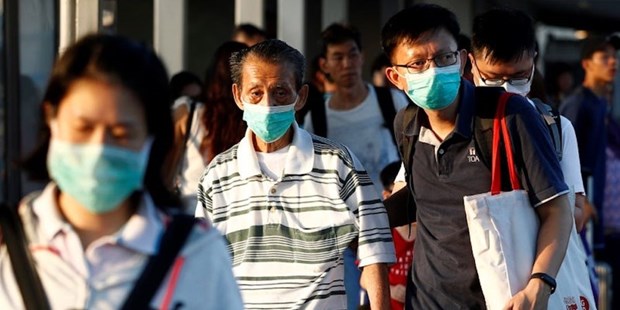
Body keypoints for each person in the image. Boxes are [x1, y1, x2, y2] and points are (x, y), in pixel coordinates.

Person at [1, 34, 242, 309]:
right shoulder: (7, 246)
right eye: (83, 128)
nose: (98, 149)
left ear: (151, 136)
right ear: (51, 117)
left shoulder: (198, 254)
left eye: (121, 134)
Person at [381, 4, 572, 308]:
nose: (433, 71)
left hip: (503, 300)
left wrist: (540, 284)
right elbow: (423, 201)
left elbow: (558, 210)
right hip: (426, 300)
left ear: (461, 59)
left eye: (443, 57)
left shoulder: (510, 115)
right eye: (417, 63)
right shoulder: (405, 125)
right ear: (395, 76)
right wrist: (360, 218)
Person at [196, 39, 395, 309]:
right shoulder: (216, 177)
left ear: (300, 96)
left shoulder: (337, 163)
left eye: (280, 92)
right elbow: (206, 268)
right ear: (238, 96)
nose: (267, 104)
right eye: (255, 93)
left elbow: (375, 253)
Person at [469, 6, 598, 305]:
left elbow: (574, 214)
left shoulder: (556, 127)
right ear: (471, 64)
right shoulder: (449, 125)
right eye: (492, 77)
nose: (505, 89)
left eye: (518, 77)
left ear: (534, 62)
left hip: (536, 288)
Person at [303, 23, 409, 195]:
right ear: (324, 65)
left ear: (362, 56)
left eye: (352, 54)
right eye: (338, 57)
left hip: (393, 212)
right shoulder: (316, 118)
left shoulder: (391, 100)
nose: (347, 64)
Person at [560, 33, 620, 308]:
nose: (613, 62)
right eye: (604, 57)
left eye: (614, 56)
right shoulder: (577, 104)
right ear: (586, 63)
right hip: (582, 213)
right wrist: (580, 199)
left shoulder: (600, 104)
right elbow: (562, 157)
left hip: (601, 215)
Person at [167, 41, 248, 212]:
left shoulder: (188, 112)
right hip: (240, 218)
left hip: (193, 217)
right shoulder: (255, 118)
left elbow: (166, 174)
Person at [380, 161, 415, 310]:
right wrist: (392, 291)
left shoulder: (431, 233)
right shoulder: (385, 235)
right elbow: (366, 278)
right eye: (400, 196)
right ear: (387, 196)